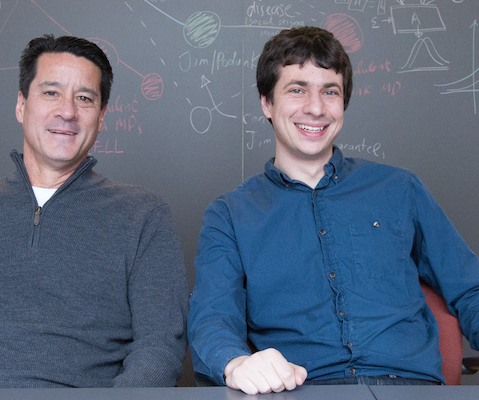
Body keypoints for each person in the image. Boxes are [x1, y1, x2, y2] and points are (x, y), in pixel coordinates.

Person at [0, 34, 189, 388]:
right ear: (21, 105)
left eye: (84, 98)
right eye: (51, 93)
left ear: (102, 117)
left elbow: (161, 345)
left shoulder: (143, 216)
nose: (68, 111)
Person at [187, 26, 479, 395]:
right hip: (303, 390)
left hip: (412, 387)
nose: (315, 107)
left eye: (330, 91)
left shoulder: (400, 189)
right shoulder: (229, 214)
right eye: (297, 89)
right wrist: (236, 363)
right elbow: (212, 316)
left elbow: (470, 289)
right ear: (266, 103)